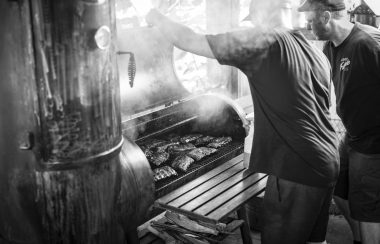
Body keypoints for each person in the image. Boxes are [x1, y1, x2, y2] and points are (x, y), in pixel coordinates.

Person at [146, 0, 339, 243]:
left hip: (296, 168)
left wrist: (156, 17)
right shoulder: (313, 50)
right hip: (327, 160)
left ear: (261, 13)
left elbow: (190, 40)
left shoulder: (263, 40)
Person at [299, 0, 380, 243]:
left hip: (374, 140)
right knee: (338, 187)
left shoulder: (368, 44)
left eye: (311, 20)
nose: (308, 25)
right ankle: (360, 239)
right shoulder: (331, 47)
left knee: (367, 206)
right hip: (353, 135)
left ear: (325, 16)